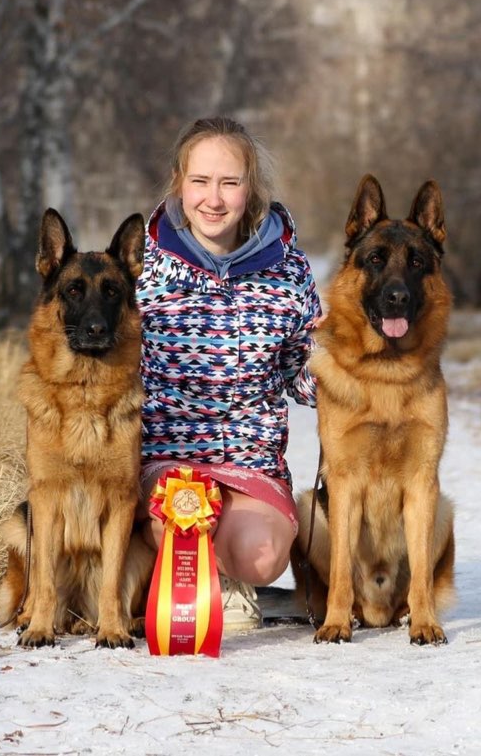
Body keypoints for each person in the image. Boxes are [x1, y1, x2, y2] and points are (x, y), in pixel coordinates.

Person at [136, 116, 321, 631]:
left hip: (250, 463)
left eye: (229, 183)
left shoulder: (289, 271)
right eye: (200, 181)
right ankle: (171, 581)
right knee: (177, 524)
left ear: (250, 188)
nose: (212, 199)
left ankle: (225, 580)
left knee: (261, 556)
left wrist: (332, 357)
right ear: (179, 183)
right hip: (164, 461)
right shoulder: (140, 267)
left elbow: (299, 381)